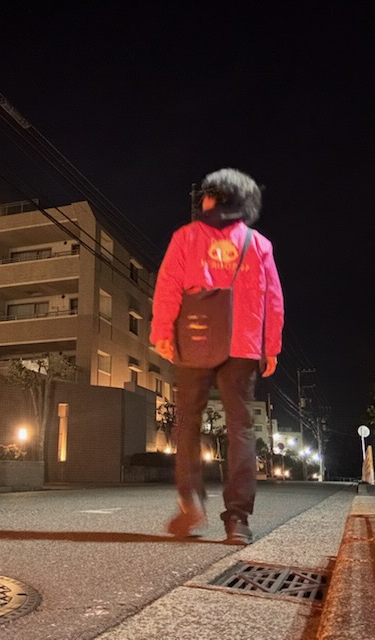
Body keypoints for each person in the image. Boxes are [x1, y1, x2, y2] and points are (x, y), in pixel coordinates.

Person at [150, 167, 284, 544]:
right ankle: (237, 518)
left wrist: (163, 332)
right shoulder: (258, 244)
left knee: (187, 422)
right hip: (243, 344)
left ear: (211, 200)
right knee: (240, 427)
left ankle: (190, 501)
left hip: (195, 339)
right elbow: (273, 300)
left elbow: (168, 286)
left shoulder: (186, 238)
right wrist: (270, 346)